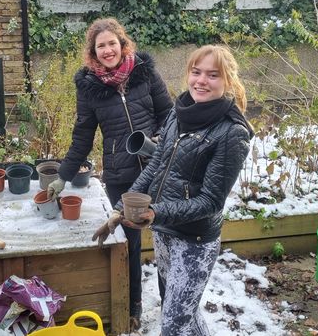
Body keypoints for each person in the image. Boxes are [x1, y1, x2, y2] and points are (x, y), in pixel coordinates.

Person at [93, 44, 253, 335]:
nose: (201, 81)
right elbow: (155, 167)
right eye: (196, 72)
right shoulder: (179, 113)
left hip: (195, 241)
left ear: (227, 80)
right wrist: (120, 209)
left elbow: (210, 202)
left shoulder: (232, 132)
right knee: (184, 316)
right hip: (165, 233)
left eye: (212, 75)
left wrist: (155, 212)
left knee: (173, 325)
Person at [47, 17, 173, 330]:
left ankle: (171, 303)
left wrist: (157, 140)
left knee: (166, 239)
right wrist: (61, 177)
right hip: (122, 176)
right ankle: (133, 307)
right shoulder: (89, 88)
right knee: (128, 244)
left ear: (122, 44)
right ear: (93, 51)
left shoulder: (145, 72)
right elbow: (82, 136)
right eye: (100, 45)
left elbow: (169, 114)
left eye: (111, 43)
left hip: (159, 169)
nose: (107, 50)